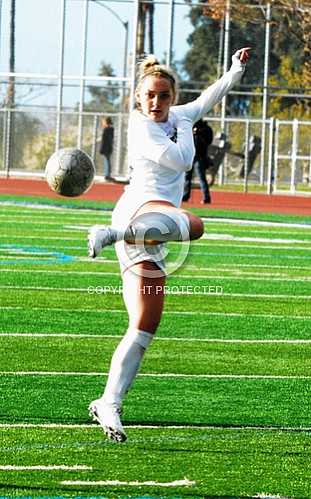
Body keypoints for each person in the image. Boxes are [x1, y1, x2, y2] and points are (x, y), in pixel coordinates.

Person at [87, 47, 250, 443]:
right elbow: (180, 161)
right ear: (138, 99)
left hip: (156, 228)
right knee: (195, 224)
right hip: (138, 213)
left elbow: (210, 96)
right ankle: (110, 235)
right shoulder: (142, 126)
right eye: (149, 96)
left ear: (172, 97)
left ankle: (108, 402)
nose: (156, 102)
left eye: (163, 95)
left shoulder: (178, 115)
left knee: (144, 324)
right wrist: (190, 134)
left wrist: (235, 70)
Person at [182, 119, 214, 204]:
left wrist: (199, 133)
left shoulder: (206, 129)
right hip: (190, 156)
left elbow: (208, 140)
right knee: (186, 177)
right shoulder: (189, 127)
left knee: (201, 178)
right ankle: (185, 195)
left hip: (200, 157)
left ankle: (206, 197)